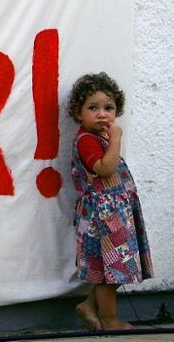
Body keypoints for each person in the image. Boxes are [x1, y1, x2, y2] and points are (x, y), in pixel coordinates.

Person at [68, 72, 152, 331]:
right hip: (102, 218)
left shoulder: (101, 138)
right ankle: (109, 319)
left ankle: (88, 305)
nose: (102, 114)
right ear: (79, 113)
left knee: (119, 266)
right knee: (110, 270)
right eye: (93, 108)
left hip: (116, 214)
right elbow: (104, 169)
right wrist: (116, 139)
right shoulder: (86, 140)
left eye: (109, 108)